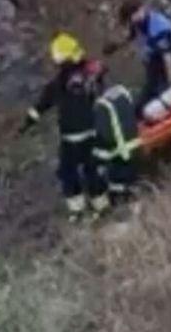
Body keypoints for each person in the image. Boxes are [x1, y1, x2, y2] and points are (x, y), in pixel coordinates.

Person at [21, 32, 110, 221]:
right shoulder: (91, 76)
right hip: (91, 134)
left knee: (68, 173)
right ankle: (101, 208)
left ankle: (78, 211)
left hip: (72, 138)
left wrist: (27, 124)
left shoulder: (59, 83)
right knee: (91, 170)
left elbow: (41, 106)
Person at [106, 0, 171, 112]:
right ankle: (138, 111)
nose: (132, 22)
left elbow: (168, 58)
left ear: (140, 10)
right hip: (154, 57)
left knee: (163, 94)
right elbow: (132, 34)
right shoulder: (138, 20)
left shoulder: (159, 27)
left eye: (131, 18)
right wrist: (117, 46)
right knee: (148, 91)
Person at [93, 84, 141, 204]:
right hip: (136, 145)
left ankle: (120, 202)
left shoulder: (100, 107)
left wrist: (98, 162)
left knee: (117, 184)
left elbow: (104, 137)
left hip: (121, 153)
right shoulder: (122, 93)